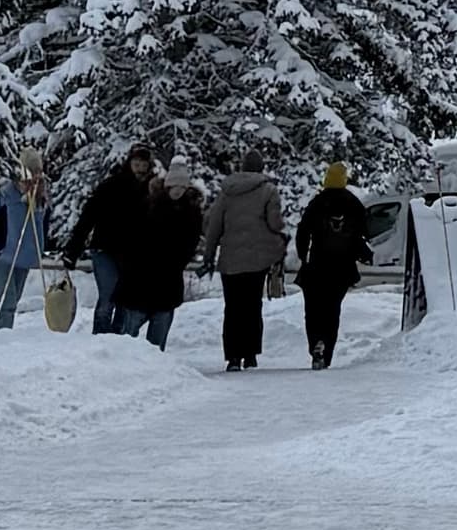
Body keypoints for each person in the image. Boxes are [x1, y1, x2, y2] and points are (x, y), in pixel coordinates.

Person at [205, 161, 289, 372]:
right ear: (260, 168)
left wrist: (209, 254)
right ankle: (250, 355)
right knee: (252, 306)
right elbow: (274, 222)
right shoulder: (268, 190)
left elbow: (214, 224)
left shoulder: (227, 192)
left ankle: (233, 357)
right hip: (256, 259)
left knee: (232, 308)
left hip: (230, 259)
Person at [294, 163, 377, 369]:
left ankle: (315, 344)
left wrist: (303, 257)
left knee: (313, 310)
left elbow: (302, 232)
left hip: (316, 266)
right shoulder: (353, 204)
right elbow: (364, 234)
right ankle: (327, 351)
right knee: (332, 310)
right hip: (342, 267)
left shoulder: (317, 203)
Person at [68, 147, 154, 335]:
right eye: (136, 164)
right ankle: (100, 337)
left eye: (143, 165)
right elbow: (88, 216)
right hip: (105, 248)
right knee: (108, 296)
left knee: (125, 299)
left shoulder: (151, 191)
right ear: (129, 164)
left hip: (133, 254)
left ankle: (117, 340)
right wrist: (73, 249)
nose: (139, 169)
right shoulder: (111, 186)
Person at [119, 158, 201, 351]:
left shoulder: (191, 211)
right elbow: (132, 237)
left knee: (157, 338)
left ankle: (155, 366)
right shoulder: (149, 205)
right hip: (141, 276)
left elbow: (191, 242)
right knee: (127, 339)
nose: (178, 191)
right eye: (175, 186)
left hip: (168, 279)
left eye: (182, 187)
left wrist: (178, 260)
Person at [0, 159, 46, 332]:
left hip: (23, 258)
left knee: (10, 304)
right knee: (7, 303)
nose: (30, 184)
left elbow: (39, 228)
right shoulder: (5, 196)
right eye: (27, 181)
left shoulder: (38, 200)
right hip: (2, 257)